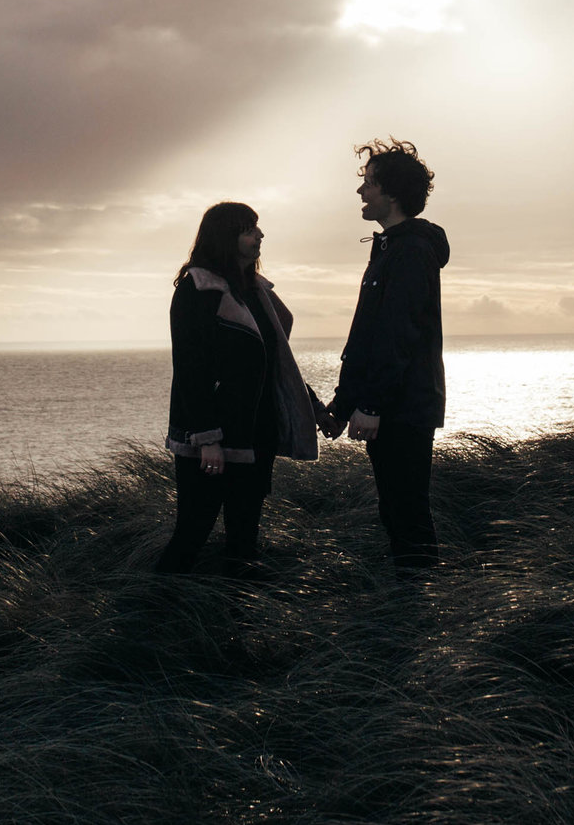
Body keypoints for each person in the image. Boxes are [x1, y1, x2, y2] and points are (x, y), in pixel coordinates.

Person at [158, 201, 321, 574]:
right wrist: (206, 437)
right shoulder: (197, 289)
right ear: (226, 236)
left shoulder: (256, 292)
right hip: (210, 439)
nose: (260, 235)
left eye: (257, 228)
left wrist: (313, 407)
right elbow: (190, 368)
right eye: (249, 229)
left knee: (245, 537)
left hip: (254, 433)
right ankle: (155, 615)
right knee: (192, 533)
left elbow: (276, 363)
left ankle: (238, 620)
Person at [331, 139, 448, 572]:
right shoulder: (390, 247)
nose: (362, 192)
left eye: (368, 183)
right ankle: (411, 609)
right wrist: (345, 405)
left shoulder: (411, 251)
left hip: (404, 408)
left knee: (407, 513)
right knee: (395, 510)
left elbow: (398, 337)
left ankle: (418, 617)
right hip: (392, 407)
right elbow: (367, 336)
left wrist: (372, 404)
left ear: (391, 192)